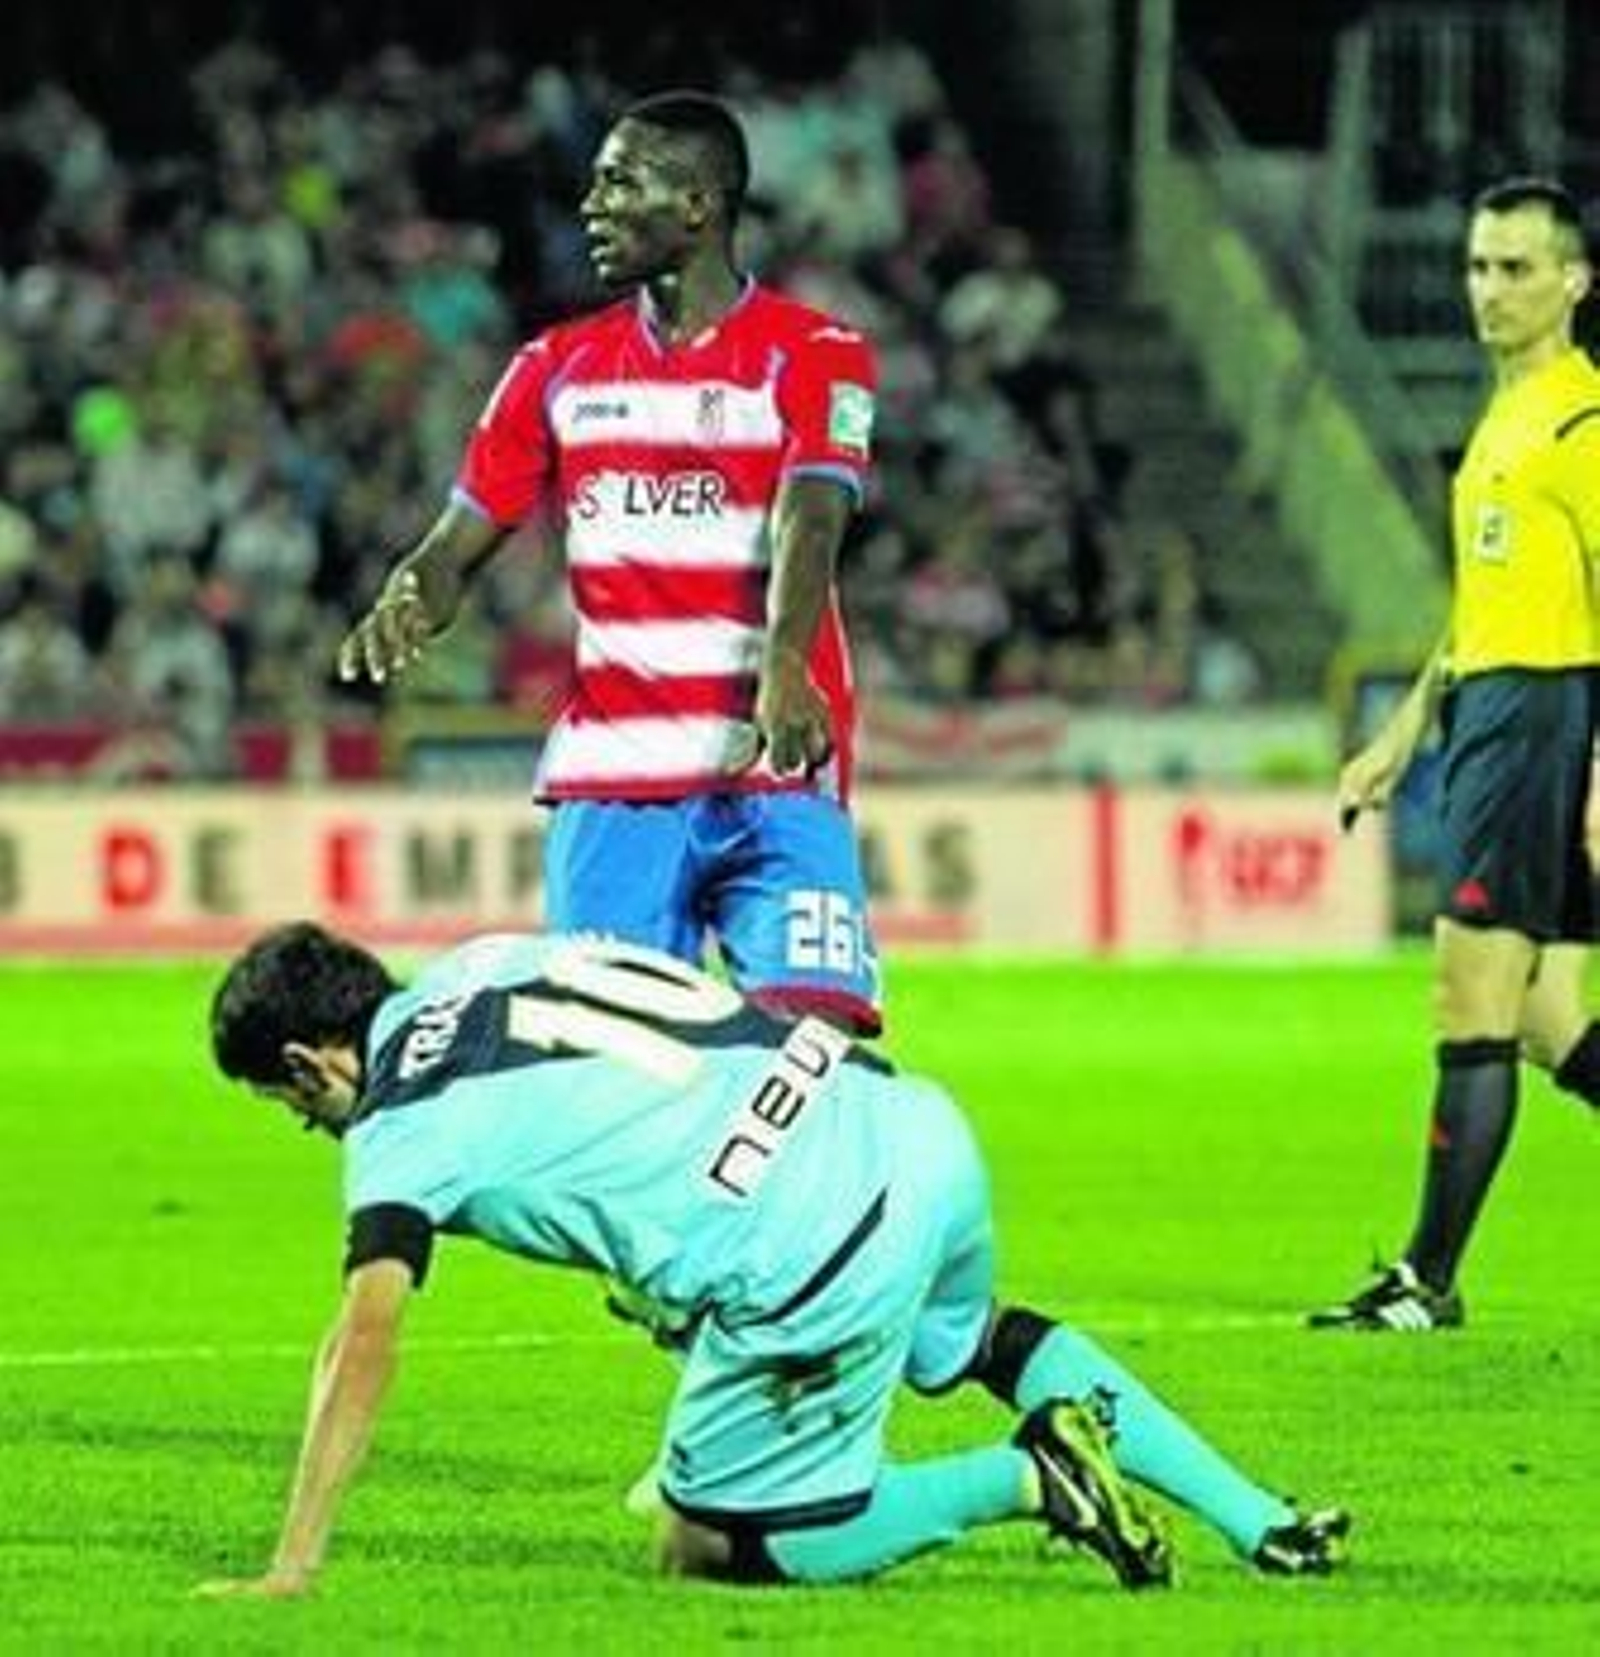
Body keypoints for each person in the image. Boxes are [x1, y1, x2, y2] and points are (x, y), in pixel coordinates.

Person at [196, 922, 1350, 1598]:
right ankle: (1261, 1519)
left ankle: (1027, 1479)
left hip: (813, 1241)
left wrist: (293, 1560)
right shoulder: (481, 957)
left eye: (285, 1103)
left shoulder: (401, 1127)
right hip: (906, 1126)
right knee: (981, 1336)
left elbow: (367, 1333)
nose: (307, 1127)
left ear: (309, 1063)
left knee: (700, 1539)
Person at [336, 89, 882, 1037]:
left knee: (814, 1046)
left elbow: (812, 516)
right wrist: (413, 588)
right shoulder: (554, 369)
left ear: (700, 205)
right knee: (623, 1066)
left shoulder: (817, 353)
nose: (591, 208)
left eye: (620, 184)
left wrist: (784, 662)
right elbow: (457, 540)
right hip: (614, 781)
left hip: (776, 763)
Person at [1311, 177, 1600, 1331]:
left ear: (1573, 280)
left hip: (1541, 721)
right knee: (1544, 1016)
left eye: (1516, 268)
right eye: (1479, 266)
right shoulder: (1509, 415)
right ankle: (1429, 1277)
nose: (1489, 289)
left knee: (1467, 995)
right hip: (1495, 706)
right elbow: (1485, 603)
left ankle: (1427, 1280)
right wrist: (1400, 729)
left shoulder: (1580, 420)